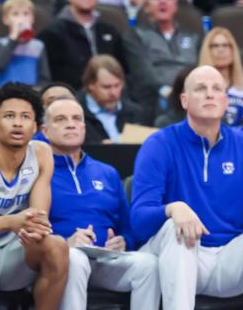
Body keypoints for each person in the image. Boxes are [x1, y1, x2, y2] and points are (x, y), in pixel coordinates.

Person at [130, 65, 243, 309]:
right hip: (176, 259)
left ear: (226, 100)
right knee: (176, 227)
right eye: (201, 89)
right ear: (184, 100)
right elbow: (138, 222)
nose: (210, 94)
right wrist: (172, 209)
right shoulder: (159, 145)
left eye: (217, 89)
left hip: (229, 259)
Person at [42, 97, 160, 308]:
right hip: (60, 260)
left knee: (148, 264)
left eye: (77, 118)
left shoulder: (107, 172)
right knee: (75, 258)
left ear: (84, 128)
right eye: (61, 119)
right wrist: (63, 243)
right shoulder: (39, 171)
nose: (71, 124)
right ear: (45, 131)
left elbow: (129, 227)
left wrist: (124, 242)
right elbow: (31, 227)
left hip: (106, 260)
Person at [0, 83, 73, 310]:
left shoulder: (42, 154)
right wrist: (10, 221)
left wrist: (32, 225)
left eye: (25, 117)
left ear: (35, 126)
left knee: (55, 245)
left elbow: (37, 220)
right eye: (9, 116)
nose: (18, 123)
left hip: (14, 254)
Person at [125, 0, 202, 122]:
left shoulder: (193, 37)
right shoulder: (135, 36)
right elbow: (144, 74)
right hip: (156, 100)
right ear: (146, 5)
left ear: (175, 5)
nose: (163, 1)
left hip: (192, 96)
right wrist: (171, 94)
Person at [39, 0, 128, 90]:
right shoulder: (52, 33)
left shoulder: (109, 30)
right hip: (72, 95)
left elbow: (124, 69)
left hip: (112, 92)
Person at [78, 55, 141, 143]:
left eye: (117, 85)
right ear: (90, 84)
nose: (113, 93)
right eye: (106, 87)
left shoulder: (135, 113)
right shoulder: (76, 116)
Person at [0, 0, 49, 86]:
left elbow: (44, 77)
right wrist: (13, 39)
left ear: (32, 18)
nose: (21, 19)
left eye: (26, 14)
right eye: (15, 14)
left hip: (30, 92)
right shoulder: (0, 43)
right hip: (5, 91)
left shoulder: (38, 46)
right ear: (5, 19)